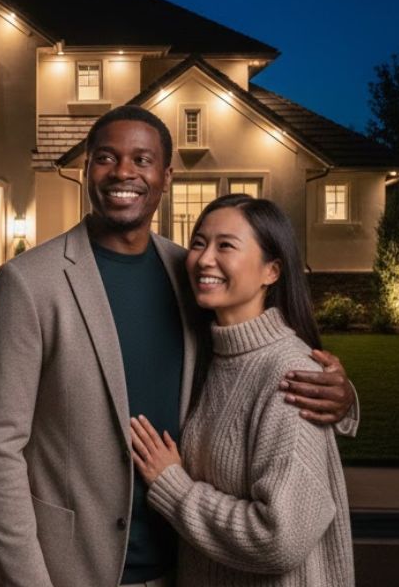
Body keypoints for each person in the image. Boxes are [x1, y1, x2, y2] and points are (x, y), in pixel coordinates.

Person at [0, 105, 356, 587]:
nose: (124, 172)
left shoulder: (189, 273)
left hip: (191, 562)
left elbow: (252, 364)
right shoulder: (28, 282)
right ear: (87, 168)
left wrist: (339, 397)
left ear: (166, 176)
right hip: (77, 568)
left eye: (142, 159)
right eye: (106, 158)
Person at [129, 194, 354, 585]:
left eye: (226, 245)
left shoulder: (292, 376)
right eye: (198, 242)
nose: (204, 259)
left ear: (272, 271)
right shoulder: (211, 355)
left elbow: (279, 537)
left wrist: (174, 487)